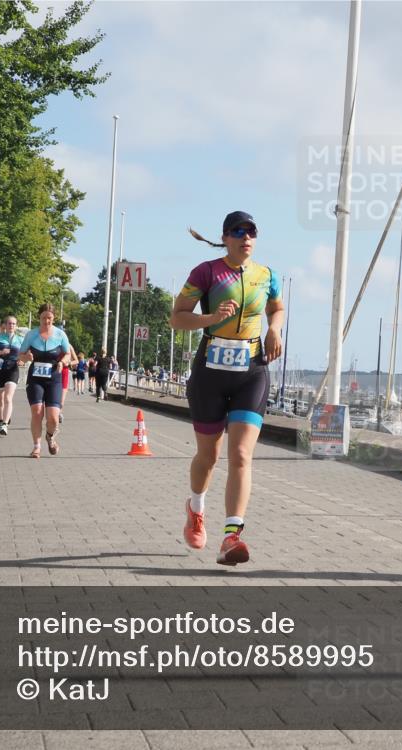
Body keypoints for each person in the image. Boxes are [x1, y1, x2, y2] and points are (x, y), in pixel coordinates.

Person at [171, 211, 284, 565]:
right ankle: (196, 508)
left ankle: (231, 537)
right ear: (225, 237)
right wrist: (211, 318)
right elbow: (177, 317)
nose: (246, 237)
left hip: (251, 369)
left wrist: (274, 329)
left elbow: (276, 307)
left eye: (252, 232)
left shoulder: (266, 275)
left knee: (241, 455)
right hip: (210, 372)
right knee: (209, 456)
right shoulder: (206, 272)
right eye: (239, 232)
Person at [18, 303, 72, 458]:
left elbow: (68, 354)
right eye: (44, 318)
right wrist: (26, 357)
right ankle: (36, 447)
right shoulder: (31, 335)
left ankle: (50, 436)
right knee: (37, 412)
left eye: (50, 318)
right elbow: (20, 354)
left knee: (53, 418)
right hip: (35, 378)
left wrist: (62, 362)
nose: (47, 321)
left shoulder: (60, 335)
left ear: (53, 318)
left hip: (54, 378)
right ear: (39, 317)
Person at [0, 315, 22, 435]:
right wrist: (0, 352)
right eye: (9, 323)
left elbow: (26, 355)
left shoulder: (20, 340)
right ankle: (0, 420)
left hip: (12, 370)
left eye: (13, 324)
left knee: (8, 397)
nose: (11, 325)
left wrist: (23, 360)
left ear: (16, 326)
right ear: (5, 326)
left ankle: (5, 424)